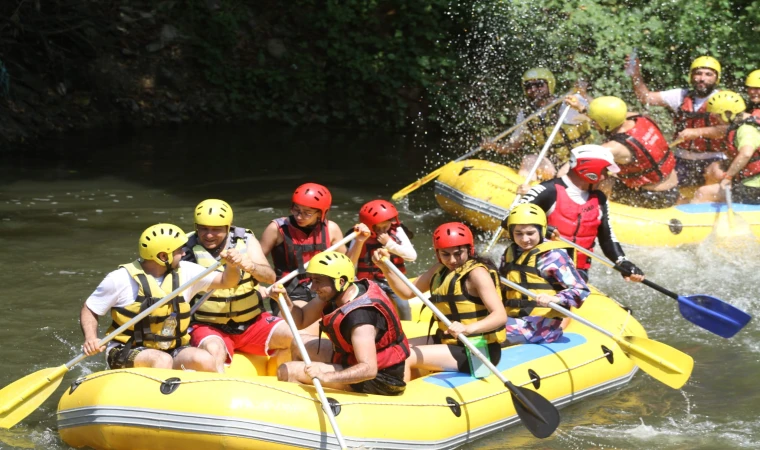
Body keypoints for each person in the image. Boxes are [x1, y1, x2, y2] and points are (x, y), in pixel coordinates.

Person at [80, 223, 245, 371]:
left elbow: (226, 281)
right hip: (126, 349)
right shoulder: (120, 279)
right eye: (179, 250)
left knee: (204, 360)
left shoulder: (187, 271)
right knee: (161, 360)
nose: (184, 252)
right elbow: (90, 309)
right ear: (163, 257)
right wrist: (91, 338)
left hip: (170, 348)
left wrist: (232, 266)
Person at [373, 222, 507, 376]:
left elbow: (500, 316)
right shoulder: (439, 269)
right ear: (438, 253)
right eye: (445, 254)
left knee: (404, 356)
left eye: (458, 253)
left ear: (469, 250)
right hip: (447, 340)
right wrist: (385, 267)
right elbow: (407, 293)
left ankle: (403, 396)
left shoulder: (477, 274)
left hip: (476, 348)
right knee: (394, 349)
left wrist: (468, 328)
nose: (452, 260)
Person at [273, 251, 410, 396]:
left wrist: (326, 376)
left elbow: (369, 369)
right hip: (351, 357)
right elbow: (300, 321)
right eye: (312, 280)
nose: (313, 288)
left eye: (318, 281)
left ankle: (303, 388)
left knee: (287, 370)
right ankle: (307, 386)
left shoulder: (361, 317)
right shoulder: (335, 292)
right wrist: (283, 299)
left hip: (381, 380)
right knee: (297, 343)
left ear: (341, 281)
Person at [183, 199, 293, 373]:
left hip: (251, 323)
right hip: (208, 325)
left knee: (292, 336)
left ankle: (280, 378)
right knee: (215, 350)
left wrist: (250, 266)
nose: (209, 235)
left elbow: (270, 277)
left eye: (216, 230)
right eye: (203, 228)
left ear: (228, 227)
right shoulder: (185, 249)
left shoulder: (246, 240)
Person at [517, 145, 645, 283]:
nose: (605, 177)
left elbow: (606, 237)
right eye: (604, 171)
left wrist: (622, 262)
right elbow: (510, 219)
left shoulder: (600, 199)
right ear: (591, 170)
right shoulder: (547, 190)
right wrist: (539, 229)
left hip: (577, 273)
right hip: (538, 268)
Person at [628, 55, 728, 187]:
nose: (702, 78)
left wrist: (696, 132)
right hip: (682, 158)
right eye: (698, 73)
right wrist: (635, 74)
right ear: (691, 76)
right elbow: (646, 98)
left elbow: (728, 129)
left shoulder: (723, 98)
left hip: (713, 158)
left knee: (716, 175)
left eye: (708, 74)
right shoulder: (681, 95)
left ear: (716, 78)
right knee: (661, 181)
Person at [500, 203, 590, 344]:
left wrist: (555, 299)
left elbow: (581, 290)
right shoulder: (509, 253)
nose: (524, 239)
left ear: (541, 230)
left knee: (487, 331)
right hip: (513, 318)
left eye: (530, 233)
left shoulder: (554, 256)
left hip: (540, 327)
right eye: (518, 233)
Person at [488, 68, 594, 183]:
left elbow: (599, 118)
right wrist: (494, 146)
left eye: (539, 84)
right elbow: (513, 145)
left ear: (550, 85)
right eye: (528, 86)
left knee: (563, 174)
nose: (533, 89)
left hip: (580, 162)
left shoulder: (568, 104)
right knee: (529, 160)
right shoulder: (526, 115)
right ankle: (526, 196)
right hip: (552, 166)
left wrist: (583, 97)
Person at [575, 95, 679, 208]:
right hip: (673, 190)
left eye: (594, 121)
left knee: (600, 180)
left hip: (654, 198)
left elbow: (577, 163)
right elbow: (609, 116)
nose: (593, 124)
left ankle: (588, 210)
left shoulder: (615, 147)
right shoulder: (635, 117)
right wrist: (583, 109)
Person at [259, 183, 346, 304]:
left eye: (307, 212)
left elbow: (347, 265)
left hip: (323, 289)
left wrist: (359, 242)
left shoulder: (332, 229)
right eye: (296, 209)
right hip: (289, 291)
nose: (299, 216)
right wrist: (256, 286)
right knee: (309, 320)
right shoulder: (276, 229)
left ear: (321, 213)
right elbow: (254, 262)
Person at [346, 199, 417, 321]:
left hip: (392, 279)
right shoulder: (358, 234)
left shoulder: (398, 230)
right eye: (377, 228)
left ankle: (407, 325)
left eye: (385, 226)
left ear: (392, 221)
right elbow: (349, 264)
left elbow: (412, 256)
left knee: (403, 305)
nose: (382, 231)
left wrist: (389, 243)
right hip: (368, 280)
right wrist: (360, 241)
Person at [692, 91, 760, 204]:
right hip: (752, 183)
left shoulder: (746, 129)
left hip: (754, 189)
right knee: (712, 169)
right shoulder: (748, 122)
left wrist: (728, 177)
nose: (717, 119)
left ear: (728, 113)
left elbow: (746, 153)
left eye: (717, 116)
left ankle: (691, 220)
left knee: (703, 192)